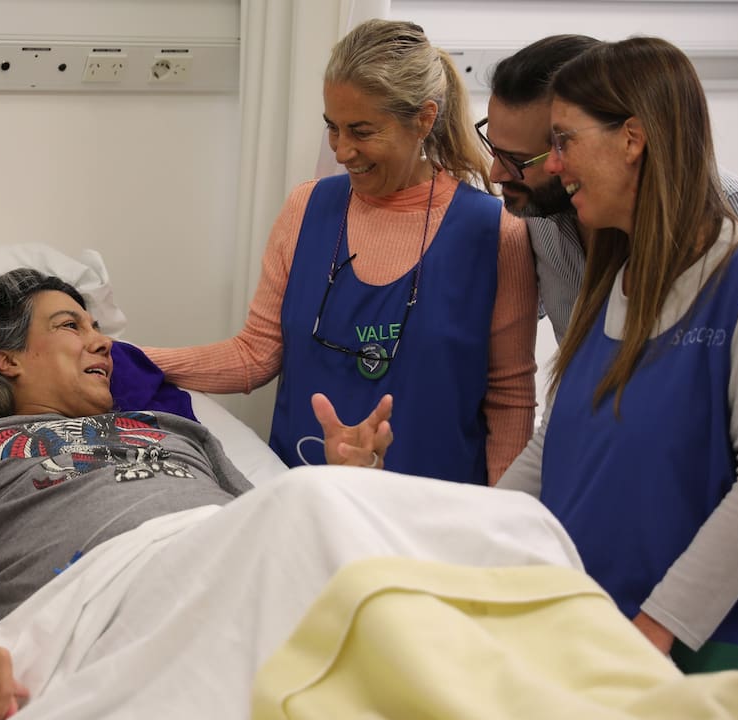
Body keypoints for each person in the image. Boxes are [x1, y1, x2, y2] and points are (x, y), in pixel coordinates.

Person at [0, 268, 531, 717]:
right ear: (6, 358)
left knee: (501, 530)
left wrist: (349, 483)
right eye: (71, 326)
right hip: (112, 583)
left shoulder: (172, 428)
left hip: (227, 556)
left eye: (97, 327)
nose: (102, 342)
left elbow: (266, 524)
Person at [144, 19, 539, 486]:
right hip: (310, 501)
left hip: (434, 509)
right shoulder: (307, 208)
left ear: (424, 119)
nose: (342, 151)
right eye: (333, 128)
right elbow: (255, 354)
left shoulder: (495, 232)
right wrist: (126, 358)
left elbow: (509, 398)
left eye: (362, 131)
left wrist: (501, 513)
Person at [496, 36, 738, 674]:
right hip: (598, 633)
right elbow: (554, 451)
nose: (554, 165)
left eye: (564, 141)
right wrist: (460, 538)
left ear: (632, 138)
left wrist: (654, 629)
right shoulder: (611, 285)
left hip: (701, 651)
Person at [480, 34, 738, 343]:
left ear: (629, 139)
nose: (495, 174)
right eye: (493, 149)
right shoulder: (543, 212)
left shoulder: (735, 213)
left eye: (517, 160)